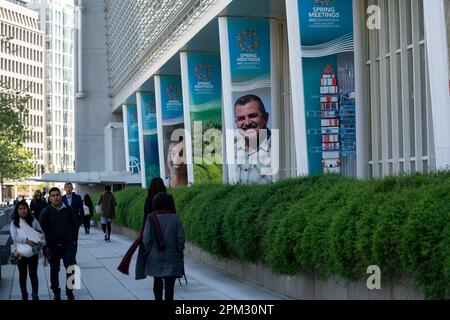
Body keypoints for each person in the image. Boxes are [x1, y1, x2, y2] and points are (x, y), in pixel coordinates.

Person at [143, 192, 185, 301]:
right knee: (169, 285)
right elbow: (180, 239)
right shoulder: (175, 218)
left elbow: (146, 240)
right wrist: (179, 251)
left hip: (155, 257)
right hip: (171, 256)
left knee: (157, 281)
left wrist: (147, 253)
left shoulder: (150, 218)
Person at [39, 187, 78, 300]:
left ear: (61, 196)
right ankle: (56, 291)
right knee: (54, 270)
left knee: (71, 267)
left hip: (68, 244)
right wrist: (45, 246)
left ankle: (69, 290)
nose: (56, 197)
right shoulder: (45, 212)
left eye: (58, 195)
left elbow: (75, 225)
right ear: (50, 198)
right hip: (52, 246)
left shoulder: (68, 209)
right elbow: (41, 231)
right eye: (53, 195)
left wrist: (74, 239)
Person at [10, 200, 46, 300]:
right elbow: (14, 237)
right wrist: (27, 241)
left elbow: (41, 235)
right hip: (20, 253)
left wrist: (40, 242)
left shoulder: (34, 221)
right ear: (17, 211)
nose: (23, 211)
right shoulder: (14, 223)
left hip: (33, 252)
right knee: (23, 275)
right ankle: (24, 295)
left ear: (28, 209)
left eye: (25, 208)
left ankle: (35, 294)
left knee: (33, 274)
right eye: (20, 209)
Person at [234, 94, 273, 185]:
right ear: (236, 123)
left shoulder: (281, 151)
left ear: (266, 117)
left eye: (252, 116)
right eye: (241, 118)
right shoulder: (232, 151)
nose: (247, 123)